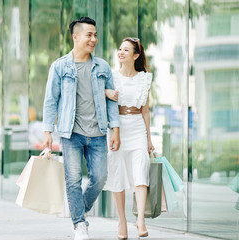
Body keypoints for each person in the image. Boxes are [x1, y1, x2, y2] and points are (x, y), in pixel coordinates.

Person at [42, 17, 120, 240]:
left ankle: (78, 209)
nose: (94, 39)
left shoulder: (102, 67)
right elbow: (51, 100)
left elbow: (111, 100)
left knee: (100, 177)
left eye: (95, 35)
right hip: (71, 133)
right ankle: (79, 224)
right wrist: (47, 131)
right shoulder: (60, 66)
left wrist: (115, 129)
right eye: (89, 35)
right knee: (73, 179)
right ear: (75, 37)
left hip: (97, 133)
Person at [104, 37, 155, 239]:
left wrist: (149, 140)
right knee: (117, 175)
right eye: (120, 49)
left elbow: (146, 112)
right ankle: (122, 223)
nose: (121, 52)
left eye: (126, 50)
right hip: (117, 129)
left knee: (140, 172)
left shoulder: (144, 78)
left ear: (135, 55)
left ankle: (140, 219)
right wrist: (106, 91)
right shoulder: (111, 77)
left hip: (137, 129)